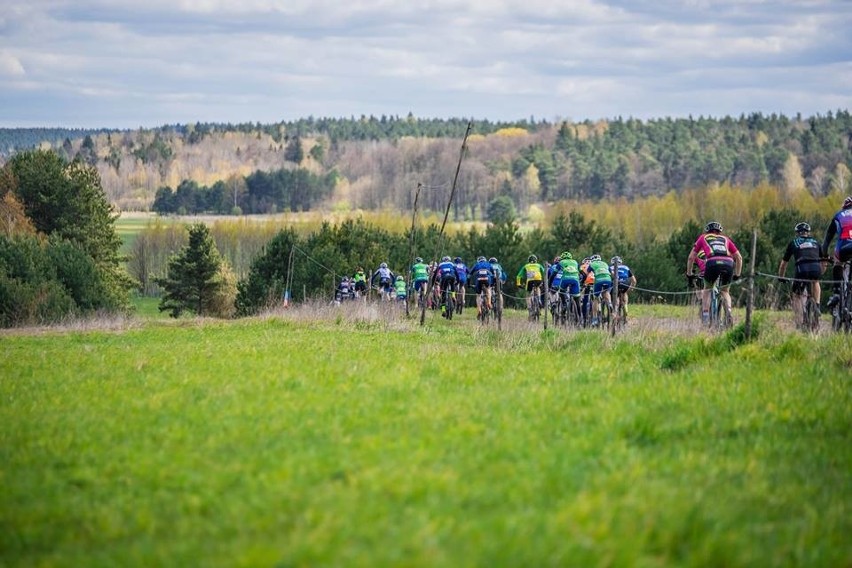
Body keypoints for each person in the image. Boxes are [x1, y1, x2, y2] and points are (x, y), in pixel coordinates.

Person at [686, 221, 743, 325]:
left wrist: (689, 274)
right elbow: (739, 257)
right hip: (728, 262)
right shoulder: (726, 239)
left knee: (707, 290)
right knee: (725, 291)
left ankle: (706, 318)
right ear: (720, 232)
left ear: (707, 231)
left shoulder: (703, 237)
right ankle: (729, 313)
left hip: (712, 262)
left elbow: (691, 258)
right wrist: (737, 274)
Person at [777, 222, 824, 327]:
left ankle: (799, 322)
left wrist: (781, 277)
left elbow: (784, 263)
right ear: (808, 233)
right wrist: (821, 271)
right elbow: (823, 260)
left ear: (797, 233)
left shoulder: (794, 242)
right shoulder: (816, 242)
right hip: (816, 269)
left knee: (797, 295)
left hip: (801, 270)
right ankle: (817, 305)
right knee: (816, 281)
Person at [822, 196, 852, 310]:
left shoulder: (838, 215)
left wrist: (824, 255)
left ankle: (836, 293)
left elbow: (826, 242)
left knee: (838, 262)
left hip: (844, 246)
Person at [587, 254, 613, 326]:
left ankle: (594, 319)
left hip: (598, 280)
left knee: (595, 298)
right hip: (608, 279)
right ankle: (610, 303)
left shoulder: (592, 264)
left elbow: (587, 273)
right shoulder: (605, 263)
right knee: (606, 292)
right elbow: (612, 273)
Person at [609, 256, 637, 323]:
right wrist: (631, 288)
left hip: (616, 283)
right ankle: (625, 308)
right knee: (624, 293)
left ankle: (616, 310)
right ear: (621, 262)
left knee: (616, 296)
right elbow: (634, 281)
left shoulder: (610, 268)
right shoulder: (626, 267)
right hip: (626, 282)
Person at [555, 251, 581, 318]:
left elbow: (553, 274)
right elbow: (581, 273)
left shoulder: (561, 262)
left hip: (565, 280)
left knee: (561, 291)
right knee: (577, 300)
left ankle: (564, 304)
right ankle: (580, 318)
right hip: (575, 280)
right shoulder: (575, 262)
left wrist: (549, 284)